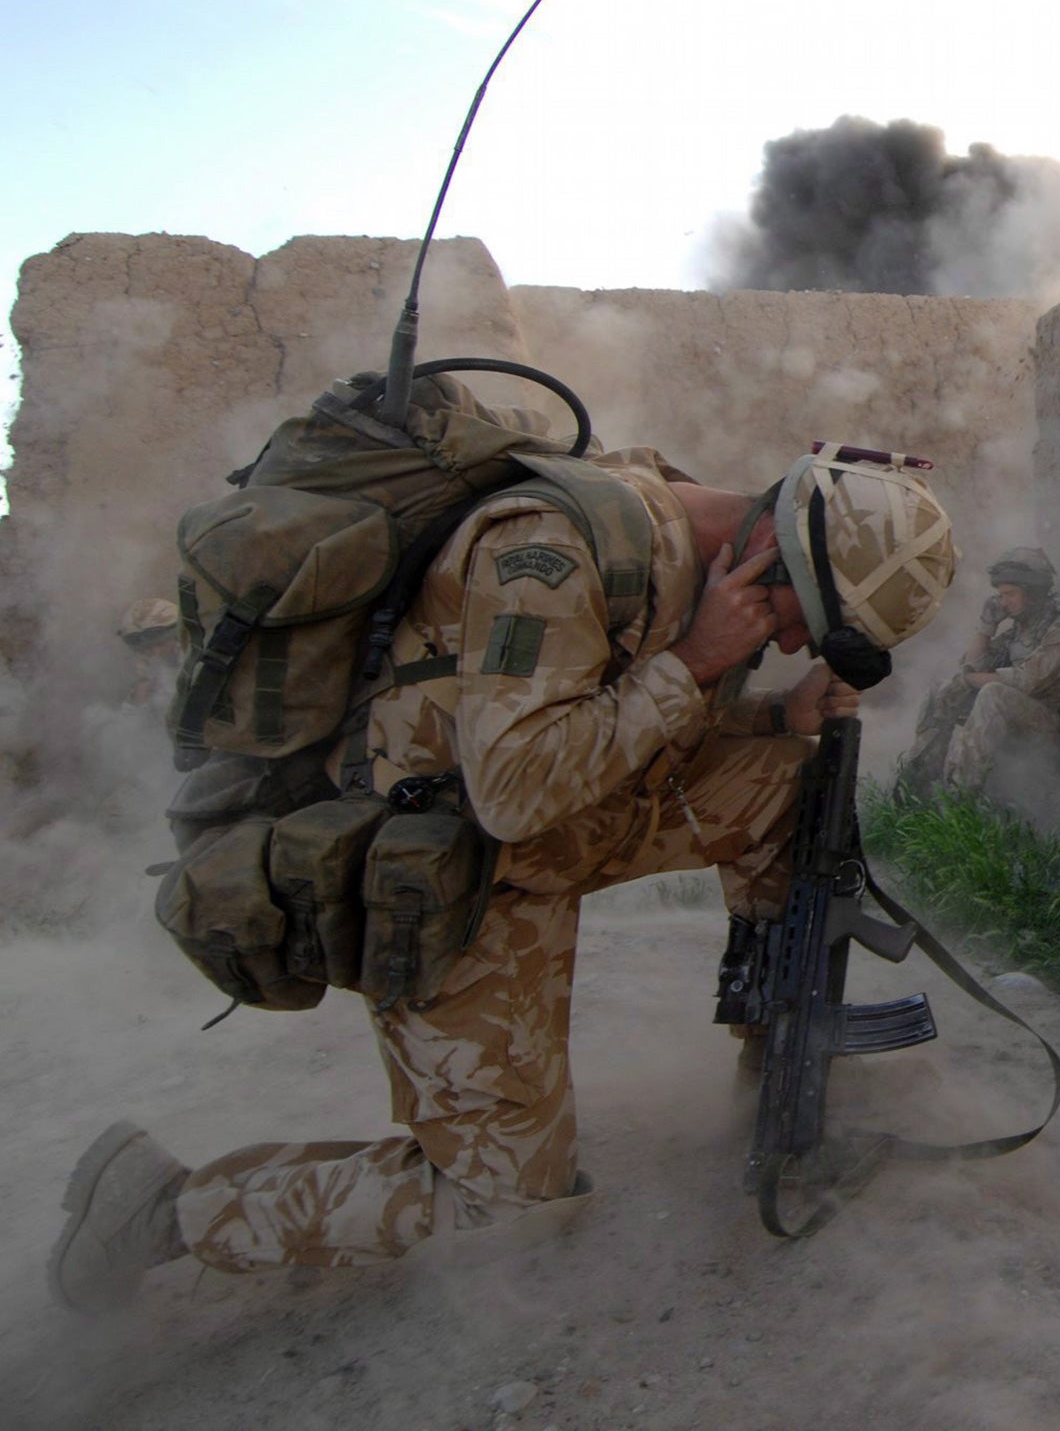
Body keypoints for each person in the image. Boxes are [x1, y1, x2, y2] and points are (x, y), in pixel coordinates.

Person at [49, 439, 956, 1311]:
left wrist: (770, 716)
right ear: (769, 549)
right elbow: (513, 791)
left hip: (559, 829)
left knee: (783, 779)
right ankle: (160, 1209)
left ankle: (778, 1078)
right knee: (509, 1209)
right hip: (452, 868)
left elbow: (621, 733)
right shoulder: (549, 551)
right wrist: (696, 662)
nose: (801, 648)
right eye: (810, 625)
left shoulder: (700, 564)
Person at [898, 546, 1060, 795]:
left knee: (993, 694)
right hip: (1028, 719)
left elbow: (1028, 680)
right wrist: (987, 627)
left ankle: (959, 798)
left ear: (1033, 590)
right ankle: (918, 782)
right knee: (940, 690)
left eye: (1009, 594)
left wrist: (970, 680)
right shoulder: (1024, 628)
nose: (1002, 602)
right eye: (1000, 595)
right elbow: (970, 666)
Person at [116, 598, 182, 714]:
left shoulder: (198, 668)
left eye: (157, 644)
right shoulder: (152, 676)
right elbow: (130, 723)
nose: (150, 653)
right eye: (142, 648)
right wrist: (143, 682)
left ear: (176, 637)